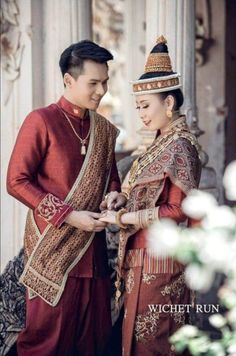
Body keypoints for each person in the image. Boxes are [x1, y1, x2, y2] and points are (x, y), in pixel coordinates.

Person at [6, 40, 127, 356]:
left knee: (95, 343)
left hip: (95, 254)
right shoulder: (42, 121)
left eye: (105, 82)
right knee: (46, 345)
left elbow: (111, 177)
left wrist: (115, 195)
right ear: (68, 81)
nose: (101, 91)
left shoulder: (103, 129)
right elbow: (16, 181)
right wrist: (68, 215)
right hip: (54, 252)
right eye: (93, 83)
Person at [100, 36, 202, 356]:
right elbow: (144, 195)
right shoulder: (157, 145)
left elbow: (176, 211)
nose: (141, 115)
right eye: (138, 107)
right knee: (134, 340)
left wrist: (122, 218)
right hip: (139, 257)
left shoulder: (180, 146)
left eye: (146, 106)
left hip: (162, 259)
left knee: (152, 343)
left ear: (168, 103)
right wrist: (121, 199)